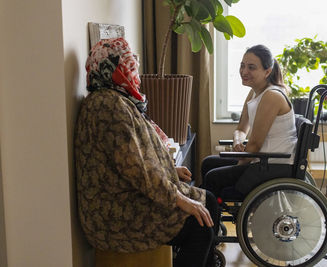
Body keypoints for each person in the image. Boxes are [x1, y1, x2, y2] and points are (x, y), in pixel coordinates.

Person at [74, 37, 219, 267]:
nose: (135, 71)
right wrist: (179, 199)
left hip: (125, 199)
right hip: (117, 216)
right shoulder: (108, 106)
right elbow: (137, 170)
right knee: (200, 226)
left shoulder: (115, 100)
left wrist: (170, 168)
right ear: (113, 70)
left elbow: (134, 157)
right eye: (129, 64)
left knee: (208, 203)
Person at [201, 44, 297, 197]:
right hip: (260, 160)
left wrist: (237, 167)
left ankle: (207, 215)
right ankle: (207, 212)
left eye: (251, 67)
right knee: (208, 163)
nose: (244, 72)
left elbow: (255, 144)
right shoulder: (255, 92)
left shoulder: (272, 96)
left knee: (213, 177)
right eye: (242, 66)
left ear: (267, 72)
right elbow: (241, 129)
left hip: (273, 166)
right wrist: (238, 142)